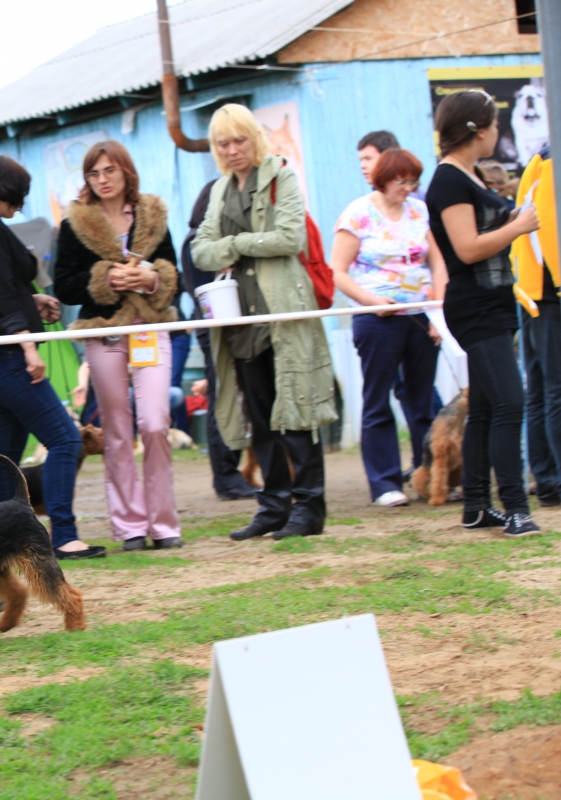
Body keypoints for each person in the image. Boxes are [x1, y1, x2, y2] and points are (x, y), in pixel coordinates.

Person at [191, 104, 337, 541]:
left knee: (296, 411)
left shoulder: (282, 177)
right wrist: (241, 246)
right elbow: (200, 249)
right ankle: (274, 506)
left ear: (255, 138)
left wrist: (232, 244)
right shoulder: (218, 190)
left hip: (283, 313)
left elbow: (290, 237)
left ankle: (309, 506)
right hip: (239, 319)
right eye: (223, 143)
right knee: (260, 416)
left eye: (239, 140)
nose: (233, 150)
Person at [0, 155, 105, 560]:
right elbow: (0, 295)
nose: (20, 204)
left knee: (5, 457)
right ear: (5, 190)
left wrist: (33, 299)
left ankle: (4, 542)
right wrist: (26, 347)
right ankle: (63, 536)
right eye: (18, 196)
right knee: (66, 440)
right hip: (7, 357)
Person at [53, 141, 182, 550]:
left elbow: (174, 272)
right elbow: (65, 285)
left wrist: (151, 279)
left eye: (109, 170)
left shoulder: (153, 214)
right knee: (117, 429)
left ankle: (164, 524)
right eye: (94, 173)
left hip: (150, 328)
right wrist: (106, 278)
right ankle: (130, 527)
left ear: (126, 171)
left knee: (156, 423)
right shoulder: (75, 222)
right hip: (103, 331)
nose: (102, 179)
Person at [426, 89, 541, 536]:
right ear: (477, 129)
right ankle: (515, 508)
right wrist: (517, 226)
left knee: (489, 408)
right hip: (474, 306)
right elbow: (468, 249)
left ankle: (475, 505)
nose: (499, 131)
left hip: (490, 302)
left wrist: (513, 216)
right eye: (495, 123)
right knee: (512, 402)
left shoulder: (468, 176)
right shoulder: (450, 181)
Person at [330, 148, 448, 507]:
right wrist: (370, 301)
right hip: (377, 318)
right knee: (378, 400)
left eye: (413, 181)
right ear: (384, 179)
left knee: (422, 400)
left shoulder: (419, 210)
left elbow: (437, 264)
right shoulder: (358, 213)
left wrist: (438, 312)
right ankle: (384, 483)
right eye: (402, 181)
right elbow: (337, 271)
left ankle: (428, 477)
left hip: (419, 315)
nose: (408, 188)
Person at [506, 109, 561, 509]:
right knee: (560, 390)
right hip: (551, 290)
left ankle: (551, 481)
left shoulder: (552, 155)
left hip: (534, 287)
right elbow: (552, 228)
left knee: (542, 389)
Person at [182, 178, 256, 501]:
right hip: (214, 330)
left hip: (234, 328)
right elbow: (203, 292)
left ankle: (236, 472)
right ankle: (225, 477)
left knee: (236, 400)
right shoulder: (196, 242)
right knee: (221, 398)